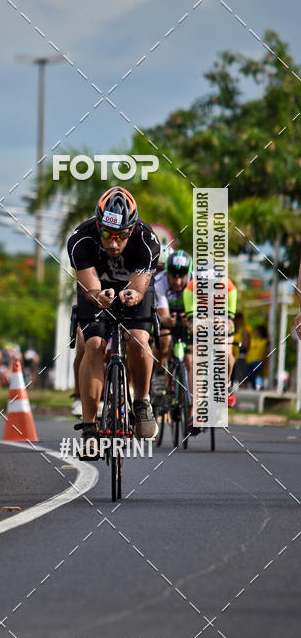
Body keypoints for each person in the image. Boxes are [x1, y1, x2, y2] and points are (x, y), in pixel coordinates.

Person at [67, 186, 160, 444]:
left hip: (133, 287)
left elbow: (139, 288)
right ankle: (89, 426)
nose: (113, 243)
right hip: (96, 288)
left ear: (131, 230)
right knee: (93, 345)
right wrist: (99, 296)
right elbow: (89, 288)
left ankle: (141, 402)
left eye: (121, 236)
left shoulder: (147, 240)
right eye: (107, 234)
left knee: (140, 340)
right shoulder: (80, 239)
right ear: (98, 227)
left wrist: (134, 296)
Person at [183, 269, 238, 419]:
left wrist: (225, 324)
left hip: (220, 317)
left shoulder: (229, 287)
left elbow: (230, 324)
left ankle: (226, 386)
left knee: (225, 353)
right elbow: (191, 324)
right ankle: (195, 407)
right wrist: (198, 324)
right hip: (200, 319)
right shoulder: (190, 289)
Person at [153, 249, 193, 396]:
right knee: (164, 339)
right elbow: (164, 316)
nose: (177, 282)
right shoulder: (159, 282)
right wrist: (168, 320)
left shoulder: (197, 283)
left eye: (182, 276)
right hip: (167, 318)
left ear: (189, 273)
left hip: (187, 318)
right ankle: (159, 373)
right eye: (173, 276)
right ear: (166, 273)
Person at [245, 324, 269, 390]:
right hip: (249, 361)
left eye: (256, 331)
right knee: (250, 373)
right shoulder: (253, 340)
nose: (255, 333)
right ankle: (252, 385)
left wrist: (262, 360)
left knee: (253, 373)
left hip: (257, 362)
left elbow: (266, 352)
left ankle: (254, 385)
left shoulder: (265, 341)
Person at [232, 311, 251, 386]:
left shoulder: (244, 330)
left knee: (241, 377)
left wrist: (235, 344)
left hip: (242, 357)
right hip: (236, 356)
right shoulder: (237, 330)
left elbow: (245, 345)